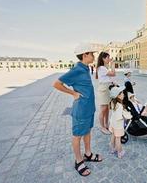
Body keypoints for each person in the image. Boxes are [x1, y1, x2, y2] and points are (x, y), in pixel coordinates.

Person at [53, 43, 102, 177]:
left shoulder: (85, 68)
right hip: (81, 110)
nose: (94, 56)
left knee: (87, 132)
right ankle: (78, 161)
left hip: (89, 108)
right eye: (92, 54)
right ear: (85, 55)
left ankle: (88, 154)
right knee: (77, 136)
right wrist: (73, 93)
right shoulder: (77, 70)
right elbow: (57, 83)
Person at [95, 52, 116, 135]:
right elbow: (113, 74)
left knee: (107, 109)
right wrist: (113, 64)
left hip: (107, 88)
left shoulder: (103, 67)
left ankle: (106, 124)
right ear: (103, 58)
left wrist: (112, 82)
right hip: (104, 89)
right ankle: (102, 127)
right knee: (103, 109)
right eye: (108, 57)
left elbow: (108, 78)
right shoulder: (101, 68)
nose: (109, 59)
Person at [109, 86, 132, 158]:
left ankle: (112, 149)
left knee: (113, 135)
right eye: (122, 93)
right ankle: (120, 152)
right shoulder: (120, 106)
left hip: (113, 123)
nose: (124, 95)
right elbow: (127, 116)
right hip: (118, 125)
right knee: (118, 139)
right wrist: (130, 114)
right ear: (118, 96)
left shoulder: (112, 102)